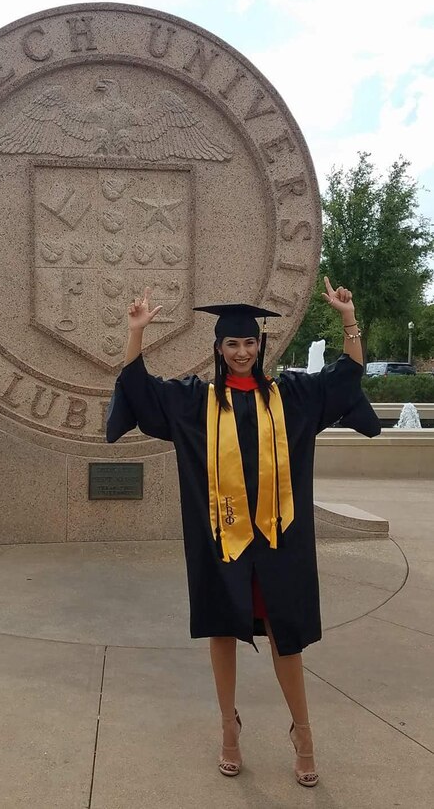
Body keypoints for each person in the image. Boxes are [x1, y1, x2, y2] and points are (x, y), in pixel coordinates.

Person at [106, 277, 381, 788]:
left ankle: (303, 731)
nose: (241, 351)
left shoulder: (292, 396)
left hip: (281, 538)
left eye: (249, 342)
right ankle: (228, 727)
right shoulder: (195, 401)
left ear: (261, 345)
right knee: (223, 627)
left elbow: (345, 378)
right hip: (223, 535)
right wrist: (136, 332)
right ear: (218, 348)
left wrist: (347, 317)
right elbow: (139, 391)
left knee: (285, 634)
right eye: (231, 343)